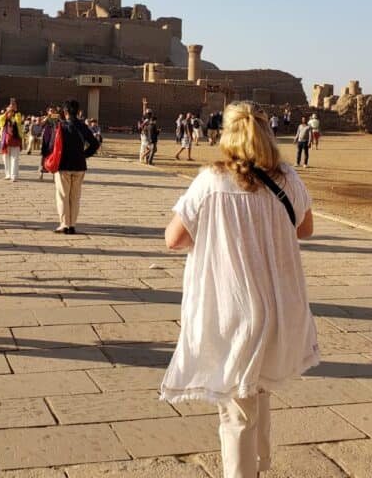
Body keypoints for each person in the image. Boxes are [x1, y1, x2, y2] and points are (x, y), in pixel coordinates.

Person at [160, 101, 319, 478]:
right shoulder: (287, 179)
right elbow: (306, 228)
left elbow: (174, 239)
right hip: (278, 306)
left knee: (236, 411)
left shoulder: (211, 181)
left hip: (232, 309)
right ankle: (260, 465)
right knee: (256, 394)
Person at [41, 99, 99, 234]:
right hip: (79, 165)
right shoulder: (83, 126)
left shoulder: (60, 127)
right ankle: (72, 224)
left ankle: (64, 224)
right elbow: (95, 144)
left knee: (63, 196)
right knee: (75, 196)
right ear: (78, 112)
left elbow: (50, 146)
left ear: (65, 112)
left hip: (63, 166)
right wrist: (84, 154)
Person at [0, 99, 25, 181]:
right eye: (9, 109)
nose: (11, 112)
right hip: (6, 140)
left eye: (12, 110)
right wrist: (7, 112)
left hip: (15, 140)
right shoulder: (4, 118)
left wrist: (15, 111)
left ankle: (14, 175)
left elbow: (19, 120)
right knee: (6, 158)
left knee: (15, 158)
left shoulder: (17, 115)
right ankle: (8, 174)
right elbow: (0, 120)